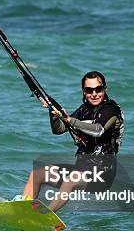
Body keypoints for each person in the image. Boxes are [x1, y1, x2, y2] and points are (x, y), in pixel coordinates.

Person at [18, 71, 124, 212]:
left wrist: (70, 120)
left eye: (98, 89)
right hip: (81, 168)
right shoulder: (83, 110)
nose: (94, 94)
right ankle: (23, 209)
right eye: (89, 90)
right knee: (38, 174)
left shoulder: (111, 109)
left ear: (105, 89)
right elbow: (59, 130)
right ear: (84, 91)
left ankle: (45, 215)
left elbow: (98, 130)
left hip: (103, 174)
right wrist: (54, 113)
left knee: (70, 180)